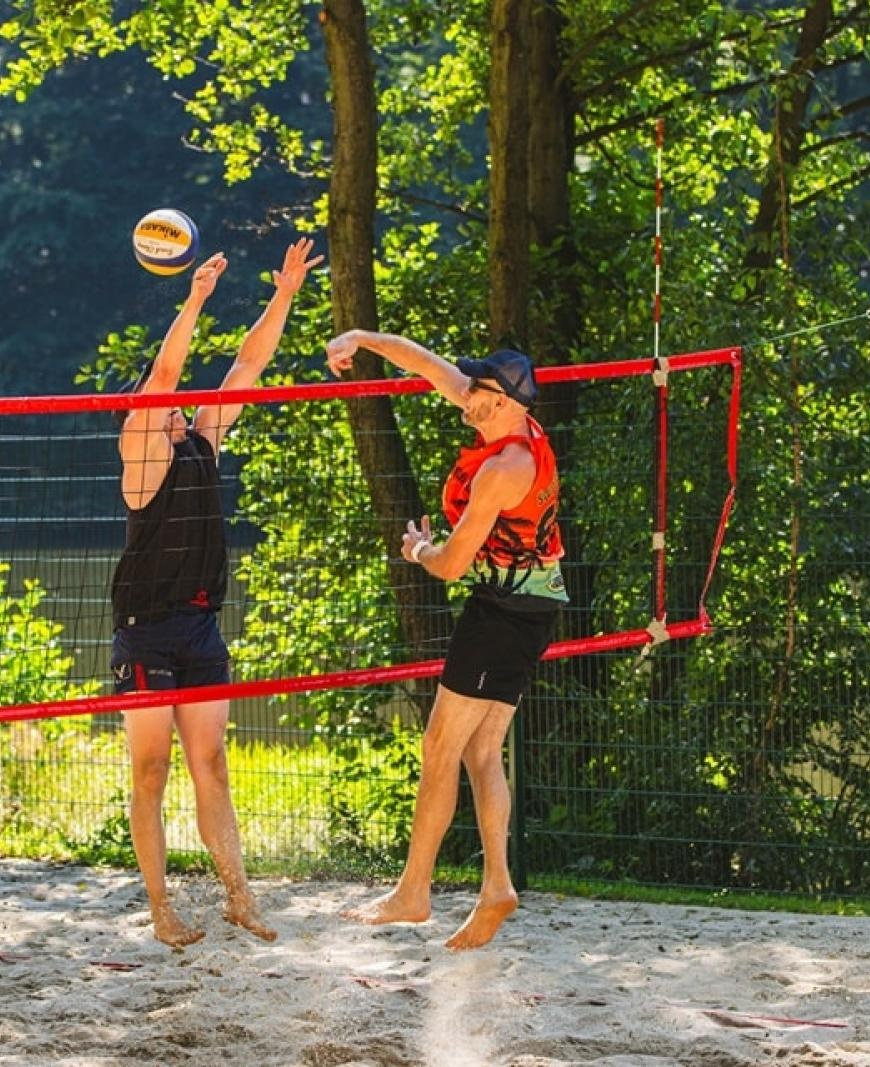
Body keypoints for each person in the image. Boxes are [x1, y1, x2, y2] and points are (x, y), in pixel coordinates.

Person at [324, 331, 567, 949]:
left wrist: (418, 550)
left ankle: (413, 891)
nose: (465, 396)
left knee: (440, 747)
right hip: (528, 606)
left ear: (506, 404)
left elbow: (452, 564)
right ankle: (496, 888)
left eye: (478, 391)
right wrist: (360, 338)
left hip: (502, 614)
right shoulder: (503, 417)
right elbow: (427, 364)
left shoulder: (503, 470)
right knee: (480, 752)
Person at [111, 237, 321, 947]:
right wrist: (195, 296)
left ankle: (238, 895)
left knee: (211, 765)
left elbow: (249, 365)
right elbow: (168, 370)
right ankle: (161, 905)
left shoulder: (202, 440)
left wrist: (284, 293)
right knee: (150, 771)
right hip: (143, 630)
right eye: (162, 400)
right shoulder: (142, 451)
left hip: (199, 628)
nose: (175, 404)